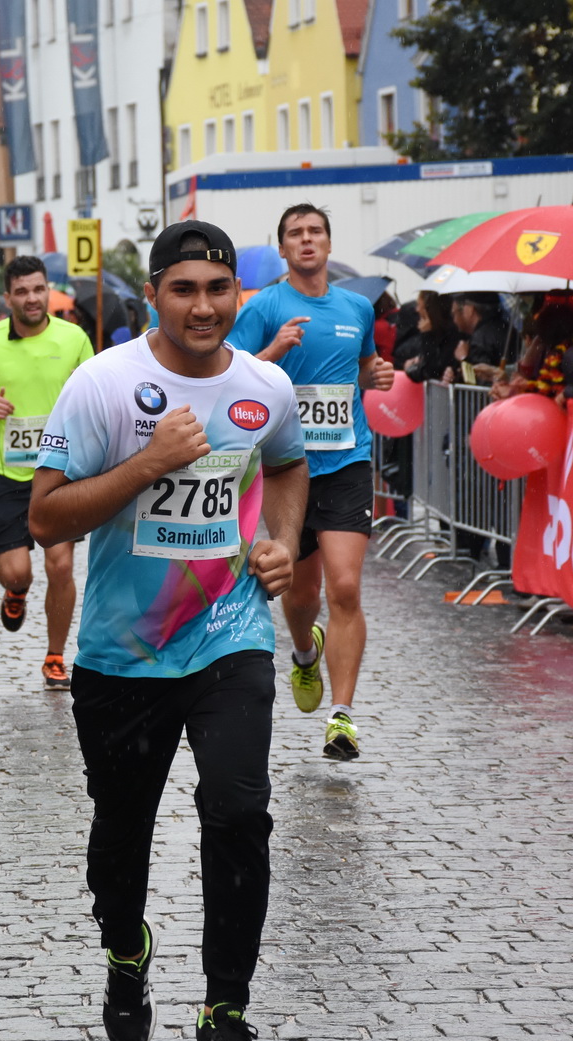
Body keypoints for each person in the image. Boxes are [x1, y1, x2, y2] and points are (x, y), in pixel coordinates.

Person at [28, 220, 308, 1041]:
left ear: (238, 295)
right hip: (121, 652)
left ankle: (226, 1011)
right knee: (121, 837)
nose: (203, 306)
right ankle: (126, 948)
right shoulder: (103, 385)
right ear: (153, 294)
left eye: (218, 289)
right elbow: (45, 517)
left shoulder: (267, 385)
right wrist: (150, 462)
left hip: (229, 634)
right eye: (183, 289)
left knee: (239, 809)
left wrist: (281, 542)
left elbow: (290, 468)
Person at [229, 203, 394, 761]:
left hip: (347, 462)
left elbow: (365, 364)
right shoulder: (265, 306)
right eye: (295, 234)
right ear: (282, 249)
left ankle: (342, 717)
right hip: (285, 468)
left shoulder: (356, 306)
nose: (306, 241)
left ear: (328, 241)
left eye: (315, 231)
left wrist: (378, 375)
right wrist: (273, 351)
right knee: (301, 597)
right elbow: (233, 374)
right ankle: (305, 652)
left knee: (344, 588)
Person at [0, 256, 93, 688]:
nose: (32, 298)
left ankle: (56, 655)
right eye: (22, 291)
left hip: (62, 471)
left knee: (60, 566)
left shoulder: (74, 338)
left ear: (47, 290)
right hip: (7, 474)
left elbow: (97, 391)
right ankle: (15, 592)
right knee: (17, 571)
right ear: (8, 297)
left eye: (38, 289)